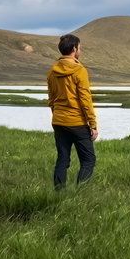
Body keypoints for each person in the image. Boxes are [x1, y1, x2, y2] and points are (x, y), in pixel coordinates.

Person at [46, 33, 98, 189]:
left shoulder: (52, 71)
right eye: (79, 47)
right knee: (88, 159)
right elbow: (85, 99)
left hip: (59, 121)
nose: (80, 50)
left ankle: (59, 193)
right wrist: (93, 124)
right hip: (77, 122)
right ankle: (80, 194)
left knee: (62, 159)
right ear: (74, 49)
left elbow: (51, 99)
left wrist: (57, 115)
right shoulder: (79, 70)